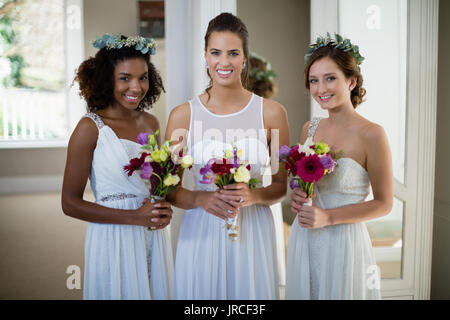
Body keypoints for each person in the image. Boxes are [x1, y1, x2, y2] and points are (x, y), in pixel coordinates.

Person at [165, 13, 289, 299]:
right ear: (205, 56)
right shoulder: (182, 115)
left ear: (244, 58)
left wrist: (255, 196)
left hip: (254, 230)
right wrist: (200, 198)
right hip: (202, 227)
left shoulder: (272, 113)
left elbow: (281, 185)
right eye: (216, 52)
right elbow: (168, 188)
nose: (224, 62)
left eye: (233, 53)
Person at [61, 34, 174, 300]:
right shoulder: (90, 128)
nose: (136, 87)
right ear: (106, 79)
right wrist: (135, 217)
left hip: (153, 234)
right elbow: (69, 203)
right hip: (113, 234)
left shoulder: (152, 123)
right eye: (125, 78)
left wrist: (163, 205)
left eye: (143, 77)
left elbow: (155, 184)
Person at [285, 34, 393, 299]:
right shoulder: (308, 129)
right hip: (306, 238)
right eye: (314, 80)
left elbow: (384, 203)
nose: (321, 88)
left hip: (344, 243)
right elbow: (302, 185)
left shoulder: (372, 134)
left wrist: (328, 218)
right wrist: (298, 195)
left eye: (330, 78)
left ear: (352, 81)